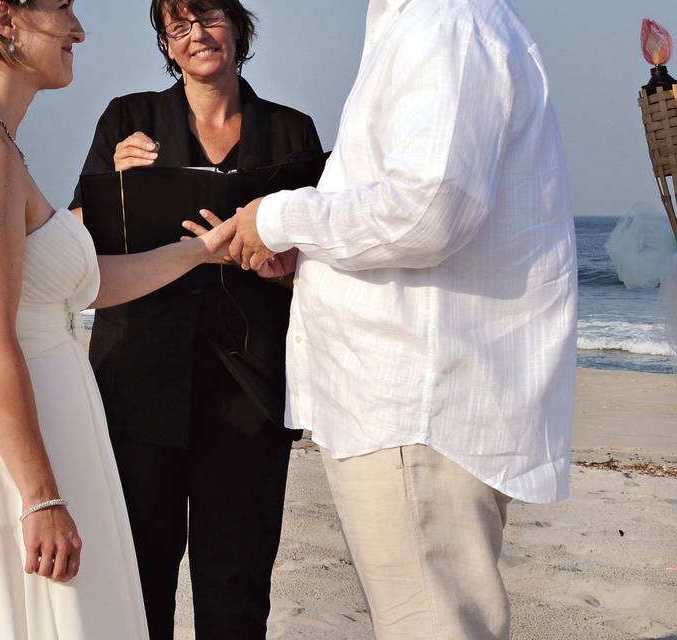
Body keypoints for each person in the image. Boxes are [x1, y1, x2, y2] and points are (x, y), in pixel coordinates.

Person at [212, 0, 578, 637]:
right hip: (406, 404)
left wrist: (278, 218)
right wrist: (311, 256)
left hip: (415, 404)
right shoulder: (424, 23)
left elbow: (430, 209)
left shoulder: (444, 23)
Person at [0, 1, 232, 638]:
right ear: (5, 20)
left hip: (41, 438)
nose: (78, 30)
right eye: (63, 8)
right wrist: (40, 496)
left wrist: (199, 251)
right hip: (7, 460)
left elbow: (82, 286)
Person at [70, 1, 322, 637]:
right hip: (137, 379)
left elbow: (319, 265)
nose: (196, 36)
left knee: (236, 592)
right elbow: (77, 250)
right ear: (165, 43)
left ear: (237, 25)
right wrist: (119, 185)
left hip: (248, 390)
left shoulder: (292, 132)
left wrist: (284, 267)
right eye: (177, 27)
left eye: (207, 16)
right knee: (138, 587)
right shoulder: (129, 120)